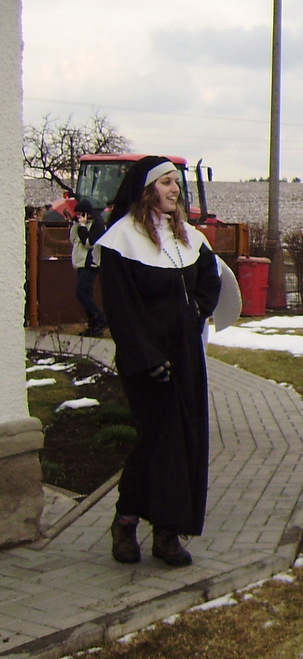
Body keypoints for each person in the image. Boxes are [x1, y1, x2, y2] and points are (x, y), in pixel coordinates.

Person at [96, 156, 222, 567]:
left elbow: (210, 280)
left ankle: (167, 534)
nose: (174, 189)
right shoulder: (122, 240)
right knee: (155, 443)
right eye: (166, 182)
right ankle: (126, 522)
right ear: (147, 189)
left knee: (185, 441)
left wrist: (196, 312)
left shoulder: (187, 236)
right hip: (146, 360)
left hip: (185, 354)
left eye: (176, 182)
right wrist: (147, 358)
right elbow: (122, 309)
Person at [69, 197, 108, 337]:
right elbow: (73, 240)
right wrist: (76, 224)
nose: (79, 216)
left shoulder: (98, 225)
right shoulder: (80, 224)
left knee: (81, 293)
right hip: (80, 263)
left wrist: (83, 226)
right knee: (85, 293)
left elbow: (88, 243)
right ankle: (94, 325)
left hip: (90, 263)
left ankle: (100, 318)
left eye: (81, 214)